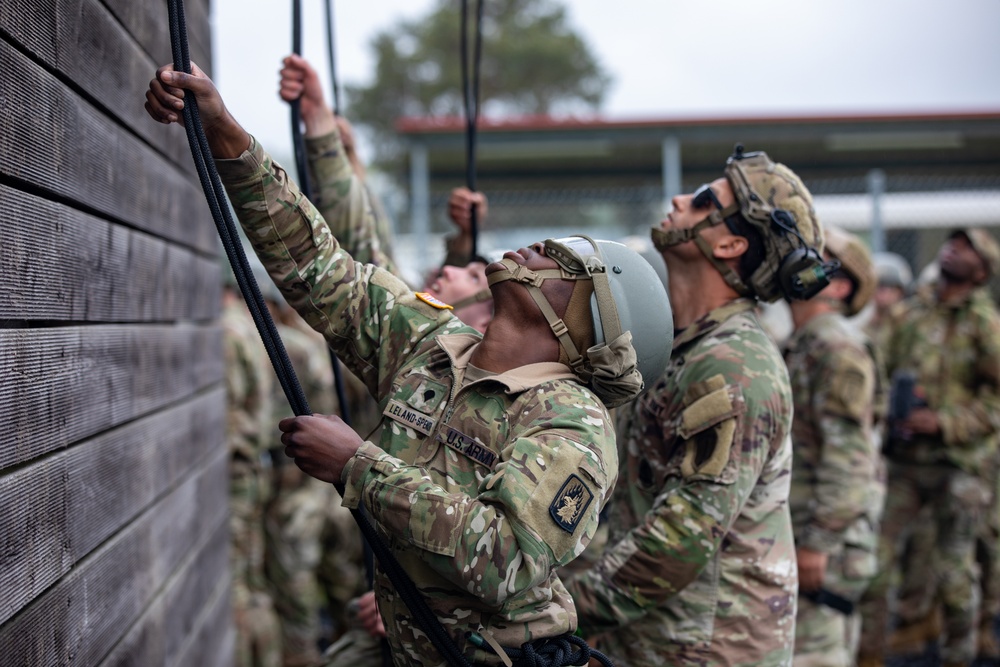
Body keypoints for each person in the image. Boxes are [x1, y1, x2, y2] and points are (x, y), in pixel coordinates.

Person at [145, 62, 673, 666]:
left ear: (582, 323)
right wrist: (226, 134)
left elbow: (506, 558)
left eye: (565, 265)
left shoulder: (570, 421)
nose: (542, 250)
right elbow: (321, 266)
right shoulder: (433, 343)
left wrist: (356, 464)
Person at [565, 146, 831, 666]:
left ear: (731, 242)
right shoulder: (686, 347)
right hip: (661, 635)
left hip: (709, 645)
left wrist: (554, 611)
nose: (679, 198)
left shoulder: (734, 366)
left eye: (706, 199)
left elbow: (679, 540)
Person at [856, 228, 1000, 667]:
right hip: (904, 464)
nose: (952, 249)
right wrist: (889, 411)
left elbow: (996, 400)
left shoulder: (986, 325)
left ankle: (961, 656)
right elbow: (874, 369)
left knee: (955, 576)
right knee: (873, 568)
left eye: (965, 247)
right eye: (951, 243)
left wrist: (944, 423)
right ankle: (869, 655)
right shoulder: (909, 315)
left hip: (960, 466)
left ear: (981, 270)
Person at [279, 54, 493, 333]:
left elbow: (369, 259)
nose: (448, 270)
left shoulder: (417, 342)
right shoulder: (433, 327)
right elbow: (377, 249)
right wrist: (467, 235)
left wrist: (321, 128)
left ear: (487, 326)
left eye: (474, 278)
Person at [783, 226, 885, 667]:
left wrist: (818, 544)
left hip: (825, 545)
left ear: (839, 285)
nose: (799, 260)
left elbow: (851, 457)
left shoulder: (835, 346)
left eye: (817, 257)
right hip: (808, 531)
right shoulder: (806, 344)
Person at [222, 269, 282, 667]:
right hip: (254, 467)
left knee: (238, 589)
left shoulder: (227, 330)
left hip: (237, 471)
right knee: (254, 584)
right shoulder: (248, 325)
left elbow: (228, 409)